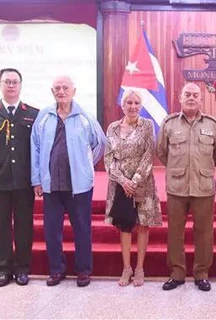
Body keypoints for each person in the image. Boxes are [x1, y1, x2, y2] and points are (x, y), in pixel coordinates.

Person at [31, 75, 106, 287]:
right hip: (51, 185)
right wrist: (37, 179)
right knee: (51, 230)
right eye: (57, 88)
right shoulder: (44, 117)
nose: (61, 91)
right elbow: (35, 148)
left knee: (82, 229)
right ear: (52, 91)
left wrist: (85, 166)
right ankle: (56, 270)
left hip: (79, 187)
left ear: (74, 91)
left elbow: (99, 143)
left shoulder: (85, 117)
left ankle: (83, 271)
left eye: (65, 87)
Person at [156, 83, 216, 292]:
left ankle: (201, 274)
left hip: (203, 187)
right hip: (177, 187)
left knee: (204, 233)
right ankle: (177, 273)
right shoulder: (169, 123)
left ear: (201, 99)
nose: (191, 98)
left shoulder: (212, 124)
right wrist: (178, 168)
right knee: (175, 233)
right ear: (179, 97)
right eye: (187, 95)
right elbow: (162, 152)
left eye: (195, 95)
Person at [104, 89, 161, 287]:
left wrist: (134, 181)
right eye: (129, 102)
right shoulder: (112, 127)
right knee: (125, 224)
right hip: (120, 185)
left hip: (142, 181)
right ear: (123, 104)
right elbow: (108, 157)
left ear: (141, 105)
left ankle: (139, 269)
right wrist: (122, 180)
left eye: (137, 103)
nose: (133, 106)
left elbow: (148, 155)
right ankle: (126, 268)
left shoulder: (147, 125)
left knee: (143, 224)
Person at [0, 68, 39, 286]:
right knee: (1, 225)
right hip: (1, 180)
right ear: (1, 85)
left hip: (24, 180)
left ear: (21, 85)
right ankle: (3, 268)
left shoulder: (32, 114)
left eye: (15, 82)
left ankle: (23, 268)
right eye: (7, 81)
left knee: (24, 225)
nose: (11, 85)